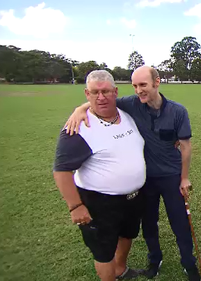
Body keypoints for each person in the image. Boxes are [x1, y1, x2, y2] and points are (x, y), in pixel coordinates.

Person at [64, 66, 201, 281]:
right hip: (145, 181)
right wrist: (79, 110)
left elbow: (186, 146)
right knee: (149, 224)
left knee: (179, 223)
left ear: (157, 82)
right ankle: (154, 261)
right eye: (135, 86)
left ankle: (188, 263)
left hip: (171, 177)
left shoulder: (177, 111)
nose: (138, 90)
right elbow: (101, 99)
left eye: (143, 85)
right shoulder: (132, 104)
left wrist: (184, 177)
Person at [53, 70, 145, 281]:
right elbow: (61, 169)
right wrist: (75, 206)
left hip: (133, 197)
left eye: (105, 91)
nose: (100, 97)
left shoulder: (127, 115)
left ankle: (120, 269)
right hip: (99, 201)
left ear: (115, 92)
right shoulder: (78, 129)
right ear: (87, 93)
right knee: (103, 249)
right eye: (95, 92)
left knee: (127, 234)